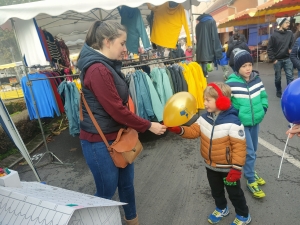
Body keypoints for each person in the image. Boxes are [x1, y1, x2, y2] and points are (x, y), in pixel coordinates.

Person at [77, 20, 167, 225]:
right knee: (106, 191)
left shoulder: (105, 66)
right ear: (107, 42)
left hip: (117, 138)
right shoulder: (98, 69)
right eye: (122, 43)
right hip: (100, 142)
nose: (125, 49)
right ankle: (92, 221)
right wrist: (147, 125)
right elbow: (117, 110)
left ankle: (131, 220)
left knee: (126, 185)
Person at [168, 82, 251, 225]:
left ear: (221, 101)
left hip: (228, 169)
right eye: (204, 99)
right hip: (210, 166)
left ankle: (244, 215)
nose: (204, 103)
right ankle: (222, 208)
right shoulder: (204, 118)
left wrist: (236, 169)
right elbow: (194, 131)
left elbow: (239, 148)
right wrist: (180, 130)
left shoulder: (233, 122)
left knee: (235, 193)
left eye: (208, 100)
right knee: (216, 190)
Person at [226, 49, 268, 199]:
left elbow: (263, 96)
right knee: (249, 152)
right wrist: (235, 116)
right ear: (237, 67)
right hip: (241, 126)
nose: (248, 68)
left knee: (254, 150)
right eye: (244, 66)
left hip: (255, 122)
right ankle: (250, 179)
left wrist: (263, 108)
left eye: (249, 64)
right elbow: (227, 104)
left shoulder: (257, 79)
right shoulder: (231, 83)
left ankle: (250, 170)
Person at [267, 17, 294, 98]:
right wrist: (273, 59)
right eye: (286, 22)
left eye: (288, 22)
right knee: (278, 78)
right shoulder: (274, 36)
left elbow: (292, 43)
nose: (288, 24)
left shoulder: (290, 33)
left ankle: (290, 92)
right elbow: (269, 48)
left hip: (287, 59)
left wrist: (291, 48)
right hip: (277, 60)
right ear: (281, 24)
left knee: (290, 76)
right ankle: (278, 91)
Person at [195, 14, 223, 78]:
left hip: (199, 51)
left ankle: (203, 81)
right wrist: (218, 53)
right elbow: (214, 37)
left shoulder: (197, 26)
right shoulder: (211, 21)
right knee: (205, 69)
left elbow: (197, 39)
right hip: (208, 50)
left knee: (202, 72)